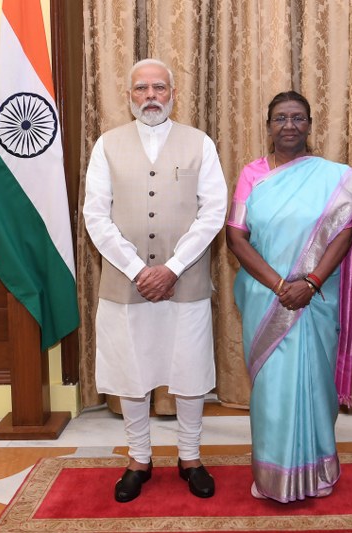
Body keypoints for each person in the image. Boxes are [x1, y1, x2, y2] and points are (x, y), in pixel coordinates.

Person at [83, 58, 227, 503]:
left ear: (172, 94)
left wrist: (172, 267)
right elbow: (95, 215)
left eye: (159, 88)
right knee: (132, 371)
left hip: (185, 281)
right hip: (127, 284)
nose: (151, 96)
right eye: (142, 88)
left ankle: (190, 456)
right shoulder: (106, 145)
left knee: (188, 370)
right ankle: (139, 459)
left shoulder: (199, 143)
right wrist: (137, 270)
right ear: (129, 96)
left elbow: (213, 211)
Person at [226, 91, 352, 503]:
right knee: (272, 389)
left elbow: (344, 233)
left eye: (297, 118)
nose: (288, 125)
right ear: (268, 125)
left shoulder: (332, 176)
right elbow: (236, 237)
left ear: (310, 124)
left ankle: (317, 470)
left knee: (314, 384)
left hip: (315, 298)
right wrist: (279, 285)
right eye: (280, 118)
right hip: (266, 297)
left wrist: (309, 283)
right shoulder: (252, 174)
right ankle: (273, 476)